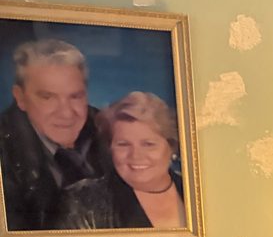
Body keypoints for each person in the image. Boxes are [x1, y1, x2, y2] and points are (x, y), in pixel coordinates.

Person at [0, 38, 110, 230]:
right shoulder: (5, 152)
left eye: (75, 96)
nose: (66, 113)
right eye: (47, 97)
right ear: (20, 98)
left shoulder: (111, 130)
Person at [57, 91, 186, 229]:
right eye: (123, 144)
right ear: (109, 148)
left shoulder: (201, 191)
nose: (136, 156)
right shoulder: (80, 202)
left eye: (148, 144)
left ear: (172, 146)